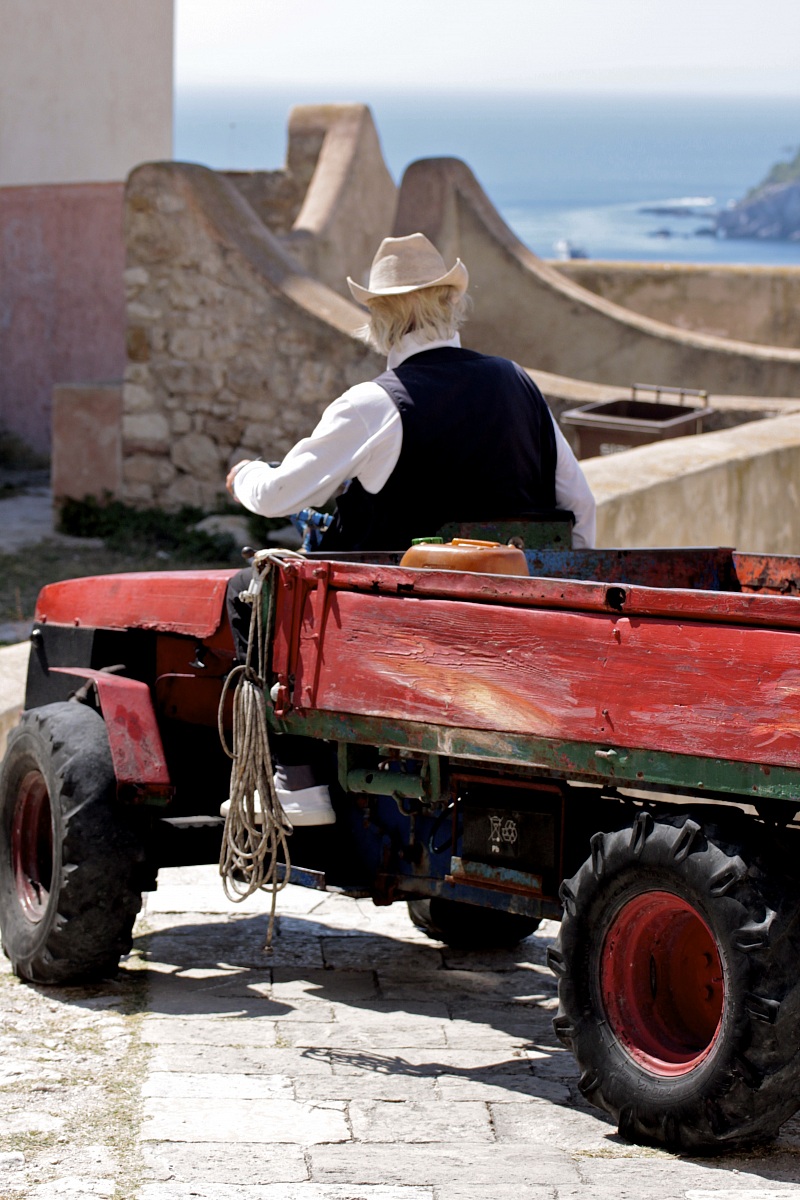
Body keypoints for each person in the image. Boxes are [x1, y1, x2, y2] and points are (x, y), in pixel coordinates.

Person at [225, 232, 596, 825]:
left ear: (379, 317)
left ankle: (297, 777)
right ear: (451, 305)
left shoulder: (375, 404)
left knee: (251, 591)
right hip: (509, 616)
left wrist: (244, 475)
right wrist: (554, 592)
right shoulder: (518, 384)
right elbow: (578, 504)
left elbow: (278, 496)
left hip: (394, 626)